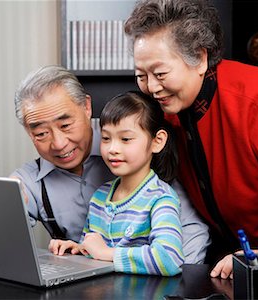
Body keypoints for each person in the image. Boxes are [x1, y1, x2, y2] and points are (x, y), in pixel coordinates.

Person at [124, 0, 258, 279]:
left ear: (200, 57)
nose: (151, 87)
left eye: (160, 74)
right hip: (223, 256)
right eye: (141, 76)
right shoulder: (163, 109)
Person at [10, 65, 211, 264]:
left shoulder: (140, 155)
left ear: (86, 107)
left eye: (65, 125)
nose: (59, 144)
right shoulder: (99, 196)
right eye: (41, 134)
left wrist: (176, 287)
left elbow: (187, 236)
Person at [49, 91, 184, 276]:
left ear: (157, 141)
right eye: (106, 138)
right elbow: (92, 250)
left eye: (125, 139)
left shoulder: (161, 198)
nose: (112, 149)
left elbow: (169, 259)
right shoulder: (100, 196)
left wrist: (106, 253)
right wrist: (76, 249)